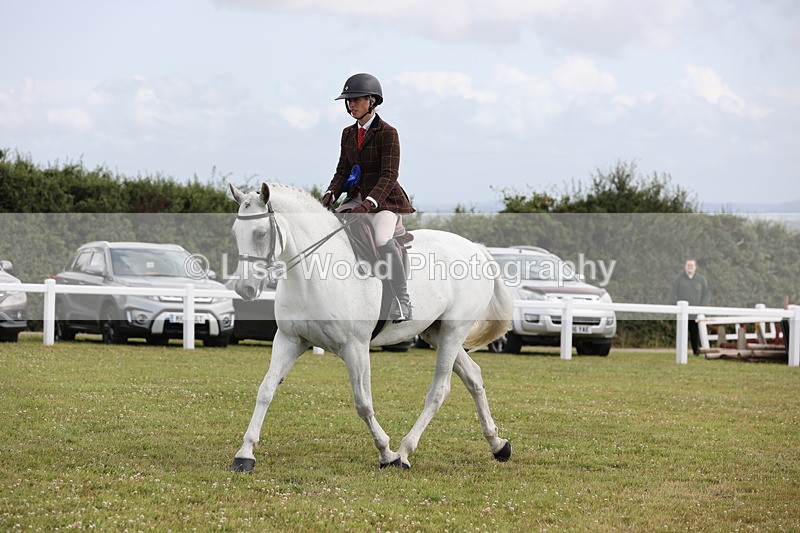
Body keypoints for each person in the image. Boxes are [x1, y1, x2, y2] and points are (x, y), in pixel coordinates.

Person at [321, 73, 415, 321]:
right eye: (349, 100)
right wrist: (330, 193)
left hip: (384, 201)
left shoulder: (388, 132)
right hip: (356, 198)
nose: (351, 104)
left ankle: (402, 299)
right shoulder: (347, 133)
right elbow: (342, 171)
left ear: (372, 101)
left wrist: (369, 203)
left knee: (382, 238)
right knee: (329, 230)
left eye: (356, 99)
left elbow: (389, 175)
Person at [671, 258, 711, 355]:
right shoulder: (678, 279)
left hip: (696, 313)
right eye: (688, 265)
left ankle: (696, 352)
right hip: (682, 312)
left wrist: (701, 309)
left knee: (695, 332)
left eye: (692, 265)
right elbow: (674, 294)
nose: (690, 267)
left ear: (695, 267)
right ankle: (681, 353)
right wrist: (677, 307)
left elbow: (706, 295)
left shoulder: (701, 280)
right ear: (685, 266)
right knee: (682, 333)